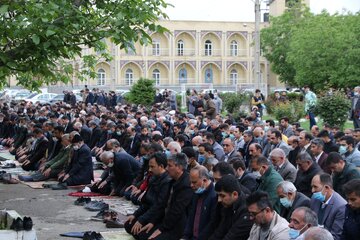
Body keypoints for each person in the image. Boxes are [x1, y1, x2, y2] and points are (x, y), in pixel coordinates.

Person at [139, 153, 193, 240]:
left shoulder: (186, 184)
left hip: (177, 226)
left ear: (179, 168)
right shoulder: (172, 180)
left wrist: (161, 229)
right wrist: (153, 221)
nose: (167, 168)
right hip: (165, 220)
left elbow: (176, 211)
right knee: (141, 233)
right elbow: (163, 204)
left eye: (169, 166)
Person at [125, 152, 171, 239]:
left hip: (158, 217)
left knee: (141, 235)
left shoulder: (167, 182)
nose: (149, 169)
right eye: (149, 167)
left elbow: (159, 206)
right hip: (149, 213)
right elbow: (146, 202)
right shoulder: (153, 178)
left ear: (161, 166)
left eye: (152, 167)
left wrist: (143, 220)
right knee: (129, 224)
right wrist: (136, 215)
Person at [208, 174, 253, 240]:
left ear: (235, 194)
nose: (219, 200)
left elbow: (232, 236)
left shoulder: (248, 210)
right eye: (218, 196)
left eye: (222, 196)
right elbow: (220, 231)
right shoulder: (228, 205)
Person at [182, 166, 217, 240]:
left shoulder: (214, 196)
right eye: (190, 182)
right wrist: (185, 236)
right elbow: (191, 216)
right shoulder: (197, 192)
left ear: (204, 180)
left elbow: (212, 224)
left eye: (194, 182)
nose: (191, 185)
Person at [310, 173, 346, 240]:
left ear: (326, 188)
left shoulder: (341, 207)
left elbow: (335, 236)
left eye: (315, 187)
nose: (312, 190)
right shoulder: (314, 198)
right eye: (312, 187)